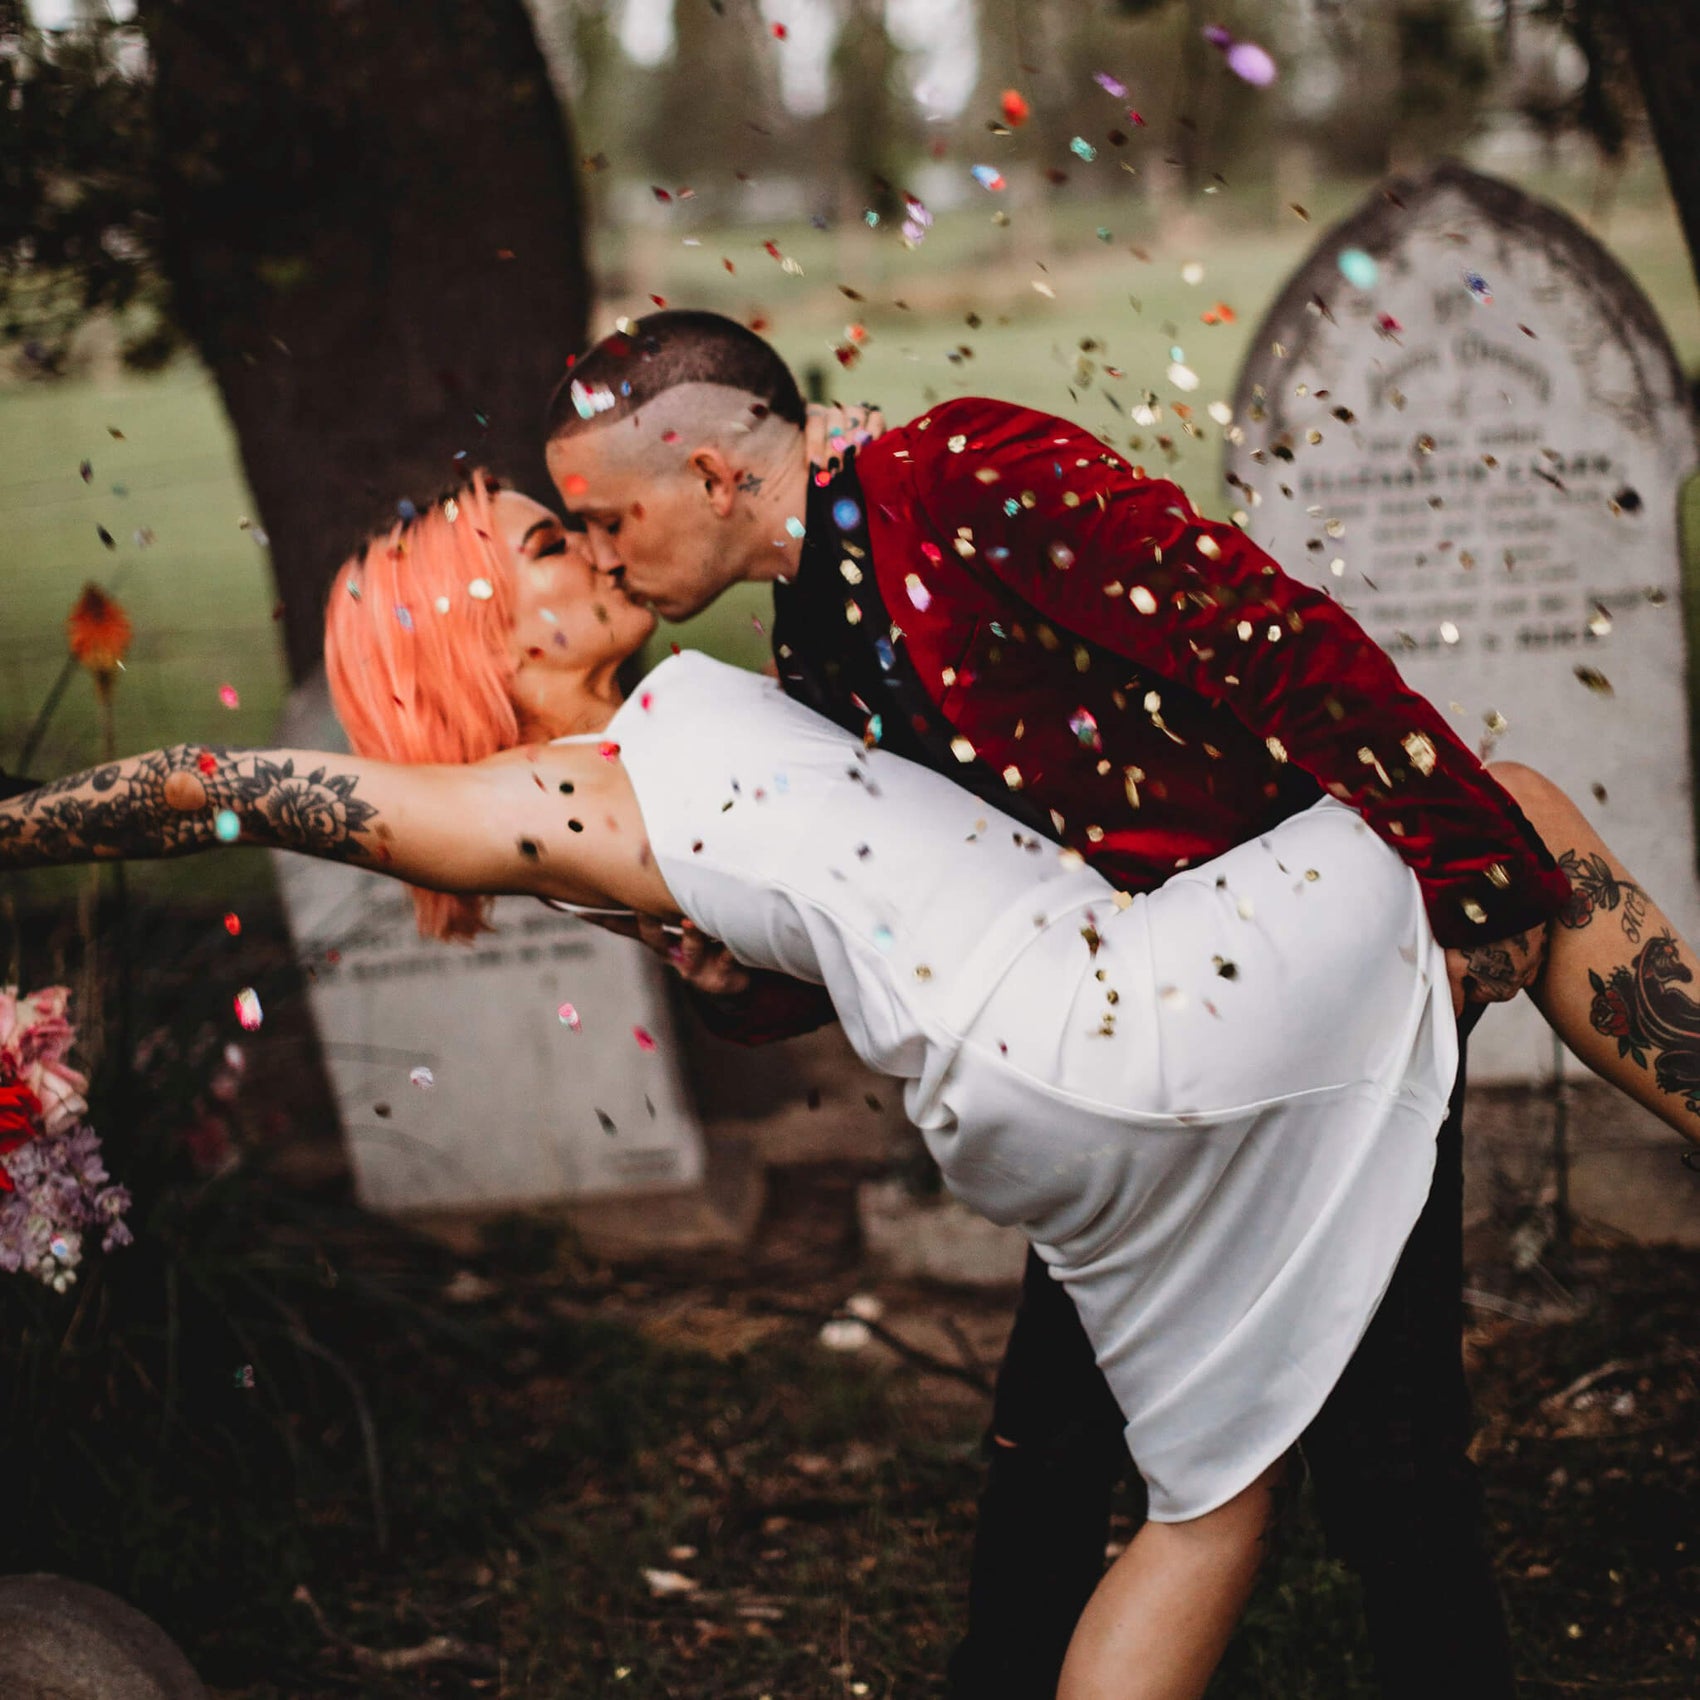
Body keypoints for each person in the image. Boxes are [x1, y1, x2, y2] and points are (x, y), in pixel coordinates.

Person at [3, 481, 1697, 1700]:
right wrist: (10, 830)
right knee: (1516, 811)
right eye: (541, 542)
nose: (584, 547)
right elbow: (227, 783)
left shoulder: (655, 735)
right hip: (1089, 1022)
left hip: (1050, 1063)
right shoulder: (537, 800)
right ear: (468, 628)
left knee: (1211, 1509)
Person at [541, 311, 1561, 1699]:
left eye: (605, 518)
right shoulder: (820, 642)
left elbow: (1264, 631)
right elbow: (911, 910)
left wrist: (1473, 889)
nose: (599, 555)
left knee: (1390, 1449)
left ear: (715, 478)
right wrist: (746, 991)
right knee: (1048, 1441)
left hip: (1296, 992)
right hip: (1119, 1060)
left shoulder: (962, 476)